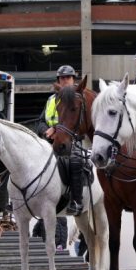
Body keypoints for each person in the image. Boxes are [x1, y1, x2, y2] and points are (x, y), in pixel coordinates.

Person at [42, 66, 87, 216]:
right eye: (62, 78)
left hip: (72, 140)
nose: (65, 80)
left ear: (74, 79)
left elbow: (81, 122)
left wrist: (57, 129)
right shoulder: (51, 100)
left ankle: (76, 201)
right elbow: (41, 121)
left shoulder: (79, 97)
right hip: (51, 141)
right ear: (58, 81)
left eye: (68, 77)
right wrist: (45, 131)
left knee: (75, 161)